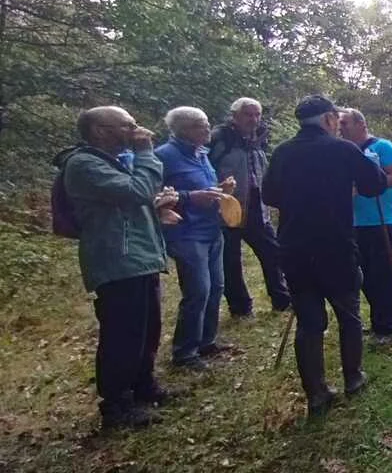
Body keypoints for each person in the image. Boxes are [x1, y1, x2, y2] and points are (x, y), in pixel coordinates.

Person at [263, 95, 388, 418]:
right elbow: (375, 185)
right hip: (335, 245)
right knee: (349, 314)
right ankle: (353, 378)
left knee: (309, 323)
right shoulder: (343, 149)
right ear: (330, 119)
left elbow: (269, 194)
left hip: (294, 247)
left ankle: (317, 394)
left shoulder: (283, 152)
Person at [61, 106, 170, 429]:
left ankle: (144, 386)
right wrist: (146, 153)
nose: (136, 130)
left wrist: (159, 204)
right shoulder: (84, 164)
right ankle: (117, 404)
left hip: (140, 257)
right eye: (127, 125)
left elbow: (134, 200)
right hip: (118, 260)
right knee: (123, 334)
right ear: (100, 131)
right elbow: (137, 191)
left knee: (148, 328)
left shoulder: (114, 161)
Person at [156, 107, 232, 372]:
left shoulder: (201, 153)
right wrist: (190, 197)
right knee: (197, 291)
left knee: (216, 287)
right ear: (183, 129)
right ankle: (185, 352)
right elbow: (155, 195)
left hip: (212, 229)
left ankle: (206, 342)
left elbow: (202, 189)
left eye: (207, 122)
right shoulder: (163, 156)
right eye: (201, 124)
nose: (207, 128)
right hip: (186, 233)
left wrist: (221, 191)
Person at [208, 97, 290, 317]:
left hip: (257, 206)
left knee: (273, 253)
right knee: (231, 260)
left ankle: (282, 299)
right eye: (248, 114)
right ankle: (240, 308)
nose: (253, 119)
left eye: (257, 115)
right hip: (228, 207)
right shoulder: (220, 138)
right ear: (234, 116)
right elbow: (204, 169)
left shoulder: (258, 138)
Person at [339, 108, 392, 349]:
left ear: (361, 124)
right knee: (362, 274)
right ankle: (379, 317)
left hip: (380, 219)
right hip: (352, 220)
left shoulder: (382, 147)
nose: (340, 128)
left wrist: (368, 184)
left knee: (381, 273)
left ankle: (385, 326)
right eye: (339, 123)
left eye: (345, 123)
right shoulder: (343, 151)